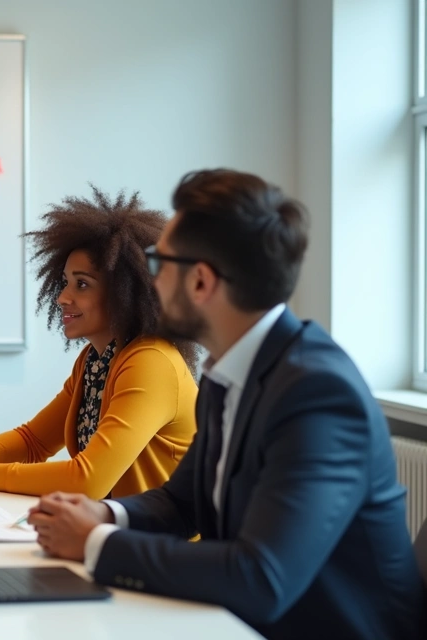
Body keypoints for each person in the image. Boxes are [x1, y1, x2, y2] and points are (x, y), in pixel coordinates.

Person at [27, 169, 427, 639]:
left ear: (200, 281)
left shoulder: (318, 394)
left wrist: (96, 543)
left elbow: (262, 577)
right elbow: (182, 503)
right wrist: (107, 515)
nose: (149, 282)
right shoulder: (230, 372)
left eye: (158, 263)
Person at [0, 188, 198, 499]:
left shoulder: (151, 362)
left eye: (82, 284)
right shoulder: (94, 361)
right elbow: (34, 441)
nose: (62, 297)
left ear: (125, 292)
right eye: (65, 282)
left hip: (159, 530)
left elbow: (87, 480)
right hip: (111, 523)